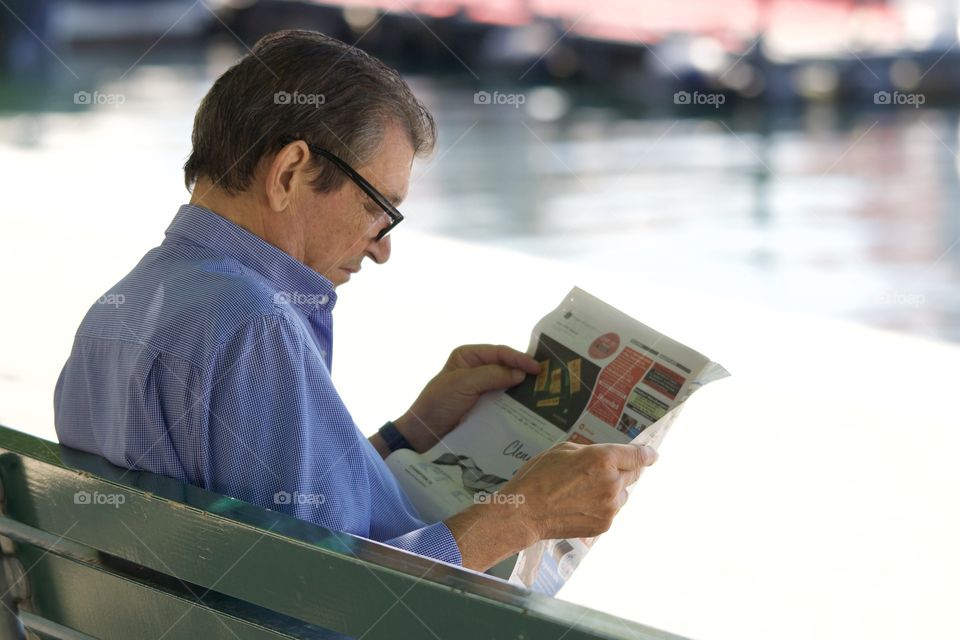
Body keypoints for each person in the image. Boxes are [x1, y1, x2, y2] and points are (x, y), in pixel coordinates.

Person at [54, 29, 657, 573]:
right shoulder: (253, 324)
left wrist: (407, 433)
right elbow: (329, 597)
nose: (381, 249)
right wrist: (525, 515)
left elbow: (265, 528)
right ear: (290, 172)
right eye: (379, 210)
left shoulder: (124, 305)